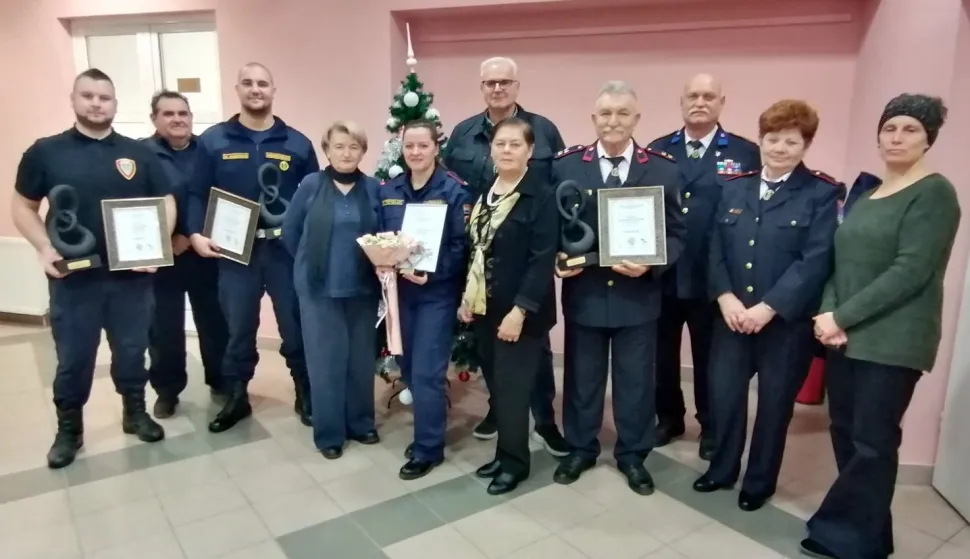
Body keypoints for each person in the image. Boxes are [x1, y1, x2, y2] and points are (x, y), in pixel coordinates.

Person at [803, 94, 959, 559]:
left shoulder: (934, 193)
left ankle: (849, 537)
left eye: (910, 129)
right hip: (844, 337)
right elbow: (839, 261)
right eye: (889, 128)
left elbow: (910, 271)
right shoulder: (869, 195)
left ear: (929, 138)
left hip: (892, 341)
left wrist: (841, 316)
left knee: (872, 442)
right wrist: (828, 315)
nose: (897, 137)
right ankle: (867, 536)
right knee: (844, 432)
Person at [10, 69, 175, 469]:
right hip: (74, 281)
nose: (97, 104)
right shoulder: (46, 152)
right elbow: (22, 206)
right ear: (74, 99)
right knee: (74, 358)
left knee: (133, 351)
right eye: (88, 96)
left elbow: (166, 201)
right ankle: (70, 430)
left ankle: (135, 412)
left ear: (115, 103)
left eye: (104, 97)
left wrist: (157, 245)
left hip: (131, 280)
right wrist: (44, 246)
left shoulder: (139, 154)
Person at [692, 100, 841, 512]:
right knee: (724, 398)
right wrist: (725, 296)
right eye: (772, 139)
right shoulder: (734, 187)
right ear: (760, 140)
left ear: (805, 145)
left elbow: (815, 260)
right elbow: (715, 248)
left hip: (785, 325)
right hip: (732, 318)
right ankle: (722, 469)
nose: (779, 148)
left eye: (791, 141)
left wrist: (768, 307)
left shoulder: (821, 193)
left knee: (775, 406)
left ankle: (759, 481)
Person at [551, 81, 687, 495]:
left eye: (622, 113)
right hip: (586, 294)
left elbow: (678, 233)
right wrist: (557, 259)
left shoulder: (663, 169)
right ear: (594, 119)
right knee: (582, 379)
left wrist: (652, 263)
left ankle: (633, 455)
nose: (613, 121)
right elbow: (552, 227)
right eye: (606, 113)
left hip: (638, 297)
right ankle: (580, 448)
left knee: (636, 382)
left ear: (636, 119)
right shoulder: (566, 167)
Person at [442, 56, 568, 456]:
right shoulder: (463, 134)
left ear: (517, 86)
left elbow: (562, 190)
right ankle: (502, 412)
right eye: (490, 82)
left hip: (525, 258)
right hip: (482, 268)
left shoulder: (544, 130)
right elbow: (449, 186)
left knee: (535, 354)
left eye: (505, 82)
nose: (497, 88)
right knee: (493, 356)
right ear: (481, 87)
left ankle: (544, 420)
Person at [187, 62, 320, 433]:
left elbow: (315, 198)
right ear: (238, 89)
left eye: (262, 83)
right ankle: (237, 395)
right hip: (233, 254)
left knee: (294, 325)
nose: (255, 89)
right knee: (237, 327)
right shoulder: (213, 140)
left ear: (273, 90)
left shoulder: (297, 143)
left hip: (284, 253)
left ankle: (305, 390)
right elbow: (196, 192)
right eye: (247, 83)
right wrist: (195, 233)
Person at [648, 73, 760, 459]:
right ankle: (668, 417)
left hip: (716, 277)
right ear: (681, 102)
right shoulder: (658, 150)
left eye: (708, 96)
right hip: (663, 273)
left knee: (710, 357)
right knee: (661, 354)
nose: (700, 102)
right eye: (692, 95)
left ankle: (711, 425)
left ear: (721, 103)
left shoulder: (745, 153)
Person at [458, 117, 559, 495]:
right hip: (486, 307)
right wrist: (467, 298)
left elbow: (541, 261)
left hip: (520, 314)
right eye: (500, 144)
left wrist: (520, 311)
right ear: (491, 149)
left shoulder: (541, 196)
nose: (506, 150)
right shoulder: (489, 190)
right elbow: (476, 250)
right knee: (499, 389)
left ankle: (516, 464)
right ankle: (504, 455)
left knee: (514, 391)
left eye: (515, 144)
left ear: (530, 151)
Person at [282, 121, 382, 459]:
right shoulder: (311, 185)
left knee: (360, 361)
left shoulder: (373, 188)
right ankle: (329, 434)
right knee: (325, 363)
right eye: (339, 146)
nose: (346, 153)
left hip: (362, 290)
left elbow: (382, 236)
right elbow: (291, 233)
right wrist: (312, 265)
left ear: (363, 151)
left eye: (354, 147)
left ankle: (361, 423)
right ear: (326, 150)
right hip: (319, 292)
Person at [381, 120, 471, 480]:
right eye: (409, 146)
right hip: (399, 294)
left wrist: (432, 274)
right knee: (406, 367)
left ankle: (428, 449)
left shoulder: (454, 190)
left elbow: (461, 246)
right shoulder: (390, 190)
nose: (415, 152)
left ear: (436, 148)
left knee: (428, 372)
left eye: (423, 145)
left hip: (435, 294)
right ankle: (427, 431)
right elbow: (382, 238)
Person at [143, 90, 229, 418]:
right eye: (168, 114)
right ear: (154, 119)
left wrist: (194, 238)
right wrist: (170, 240)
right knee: (164, 327)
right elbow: (137, 205)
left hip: (205, 253)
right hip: (163, 259)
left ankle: (221, 381)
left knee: (215, 322)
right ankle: (167, 390)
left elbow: (218, 196)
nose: (177, 119)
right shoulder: (142, 155)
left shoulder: (207, 150)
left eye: (183, 113)